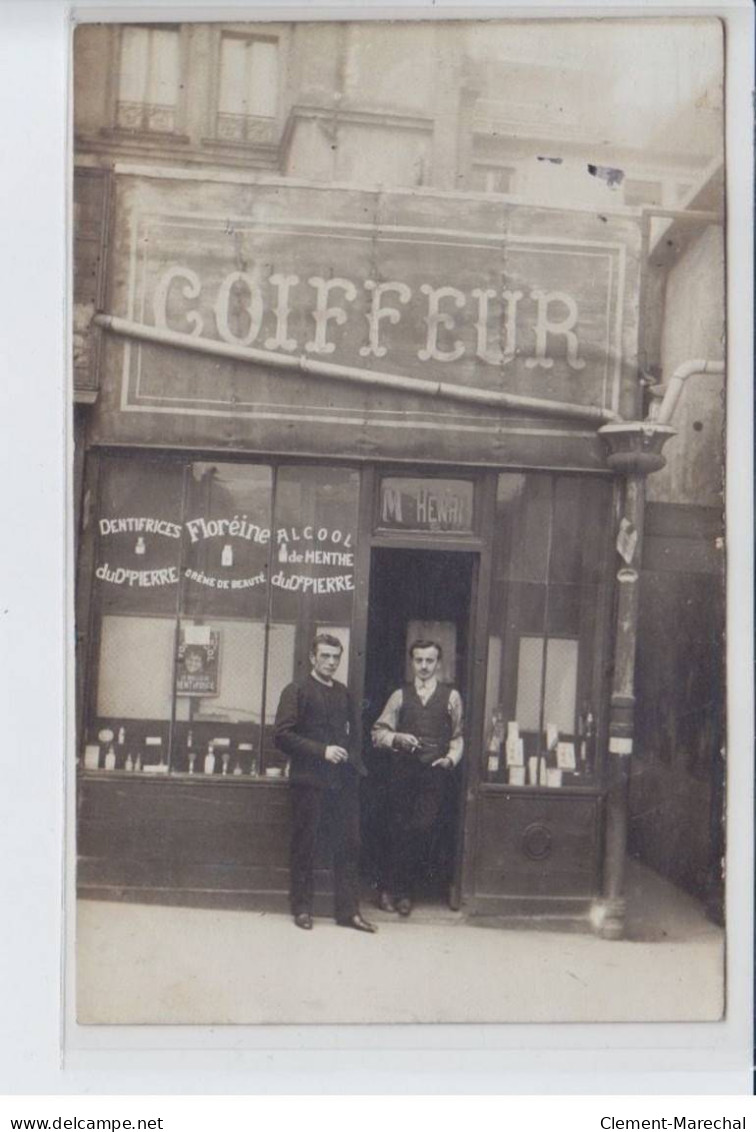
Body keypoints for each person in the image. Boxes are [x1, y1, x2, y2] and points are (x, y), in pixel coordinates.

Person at [274, 633, 377, 933]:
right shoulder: (296, 691)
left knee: (349, 845)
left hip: (342, 784)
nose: (331, 662)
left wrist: (354, 767)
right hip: (308, 782)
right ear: (312, 657)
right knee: (305, 845)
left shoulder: (344, 694)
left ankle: (348, 912)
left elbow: (355, 737)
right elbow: (282, 735)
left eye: (336, 657)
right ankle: (302, 908)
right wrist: (322, 751)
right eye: (325, 656)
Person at [371, 639, 464, 917]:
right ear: (411, 662)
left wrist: (449, 759)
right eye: (419, 660)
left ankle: (406, 890)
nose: (424, 666)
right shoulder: (400, 695)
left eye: (429, 661)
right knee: (397, 829)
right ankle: (390, 891)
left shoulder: (451, 698)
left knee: (422, 830)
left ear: (439, 663)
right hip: (402, 774)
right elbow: (377, 733)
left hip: (433, 776)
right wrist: (397, 737)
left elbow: (458, 737)